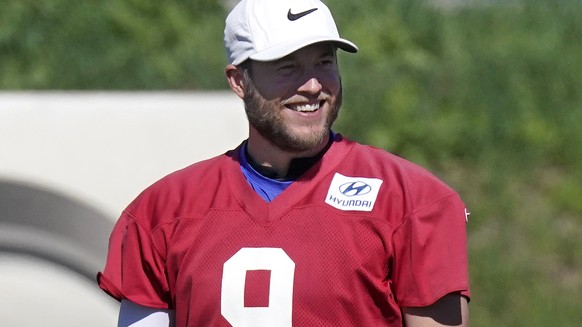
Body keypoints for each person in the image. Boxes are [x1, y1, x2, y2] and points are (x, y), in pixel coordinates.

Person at [97, 0, 471, 326]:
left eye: (324, 62)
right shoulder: (161, 213)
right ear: (239, 80)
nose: (312, 85)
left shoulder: (413, 201)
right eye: (287, 66)